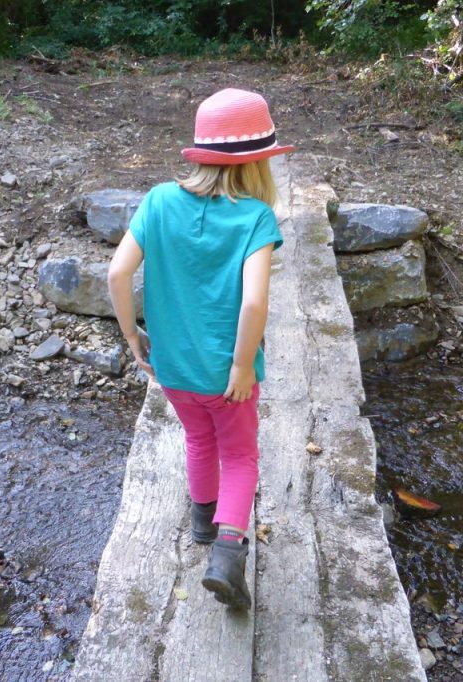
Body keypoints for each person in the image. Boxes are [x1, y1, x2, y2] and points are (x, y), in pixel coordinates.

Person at [107, 88, 294, 610]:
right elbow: (253, 302)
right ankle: (228, 554)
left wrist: (133, 336)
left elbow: (118, 272)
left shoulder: (158, 201)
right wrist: (242, 364)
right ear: (258, 163)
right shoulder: (255, 218)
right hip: (226, 374)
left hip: (173, 368)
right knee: (240, 454)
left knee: (197, 437)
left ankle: (201, 521)